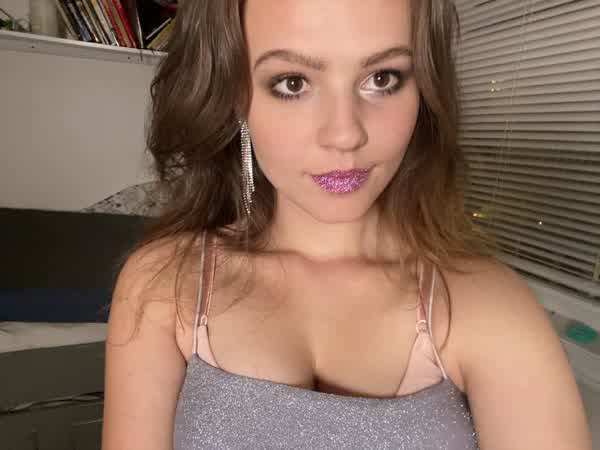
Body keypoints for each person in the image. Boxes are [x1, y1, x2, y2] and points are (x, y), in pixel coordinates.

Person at [101, 0, 592, 449]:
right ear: (235, 95)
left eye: (382, 78)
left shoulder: (489, 305)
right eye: (293, 83)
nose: (345, 134)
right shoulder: (162, 285)